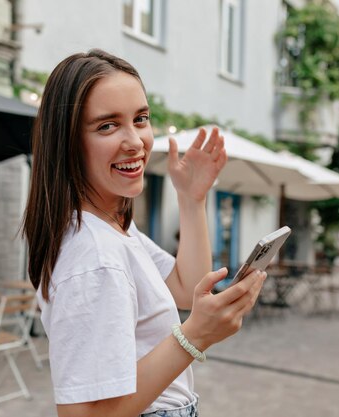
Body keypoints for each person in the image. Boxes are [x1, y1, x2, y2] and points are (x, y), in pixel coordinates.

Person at [22, 49, 267, 417]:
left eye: (140, 119)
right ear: (68, 142)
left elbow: (188, 287)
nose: (135, 141)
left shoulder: (113, 228)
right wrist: (195, 335)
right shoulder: (96, 255)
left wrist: (191, 199)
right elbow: (84, 414)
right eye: (107, 125)